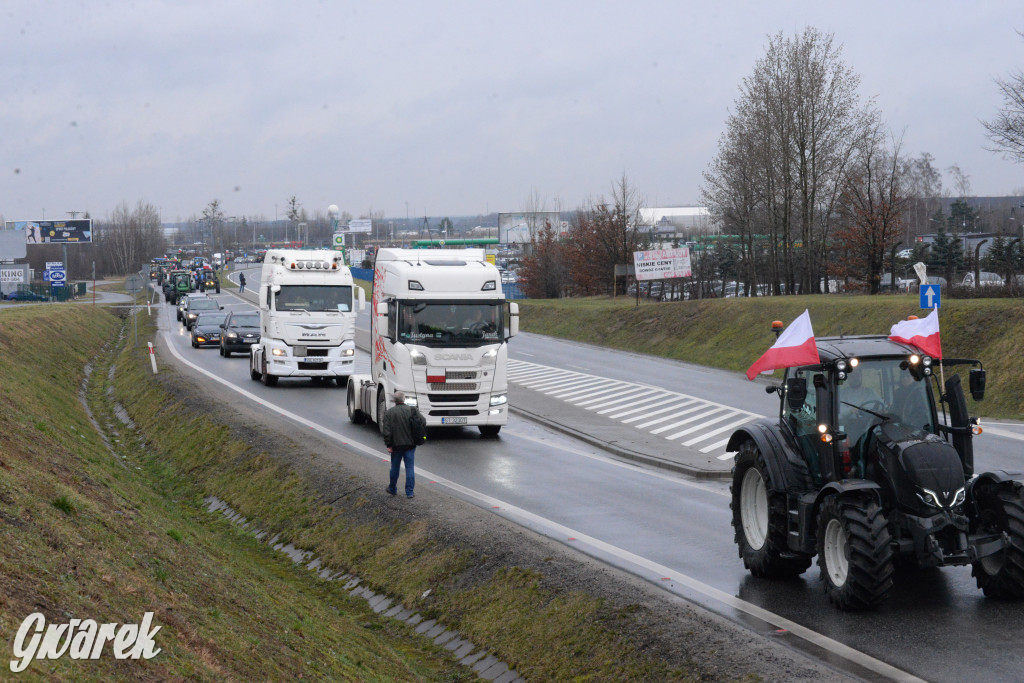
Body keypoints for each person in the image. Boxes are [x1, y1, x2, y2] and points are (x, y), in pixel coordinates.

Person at [382, 391, 427, 499]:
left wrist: (388, 444)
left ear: (394, 400)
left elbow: (386, 431)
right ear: (404, 399)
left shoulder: (389, 413)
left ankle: (392, 489)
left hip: (396, 446)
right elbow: (423, 421)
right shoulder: (412, 410)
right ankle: (410, 492)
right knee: (410, 468)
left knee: (395, 468)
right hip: (410, 445)